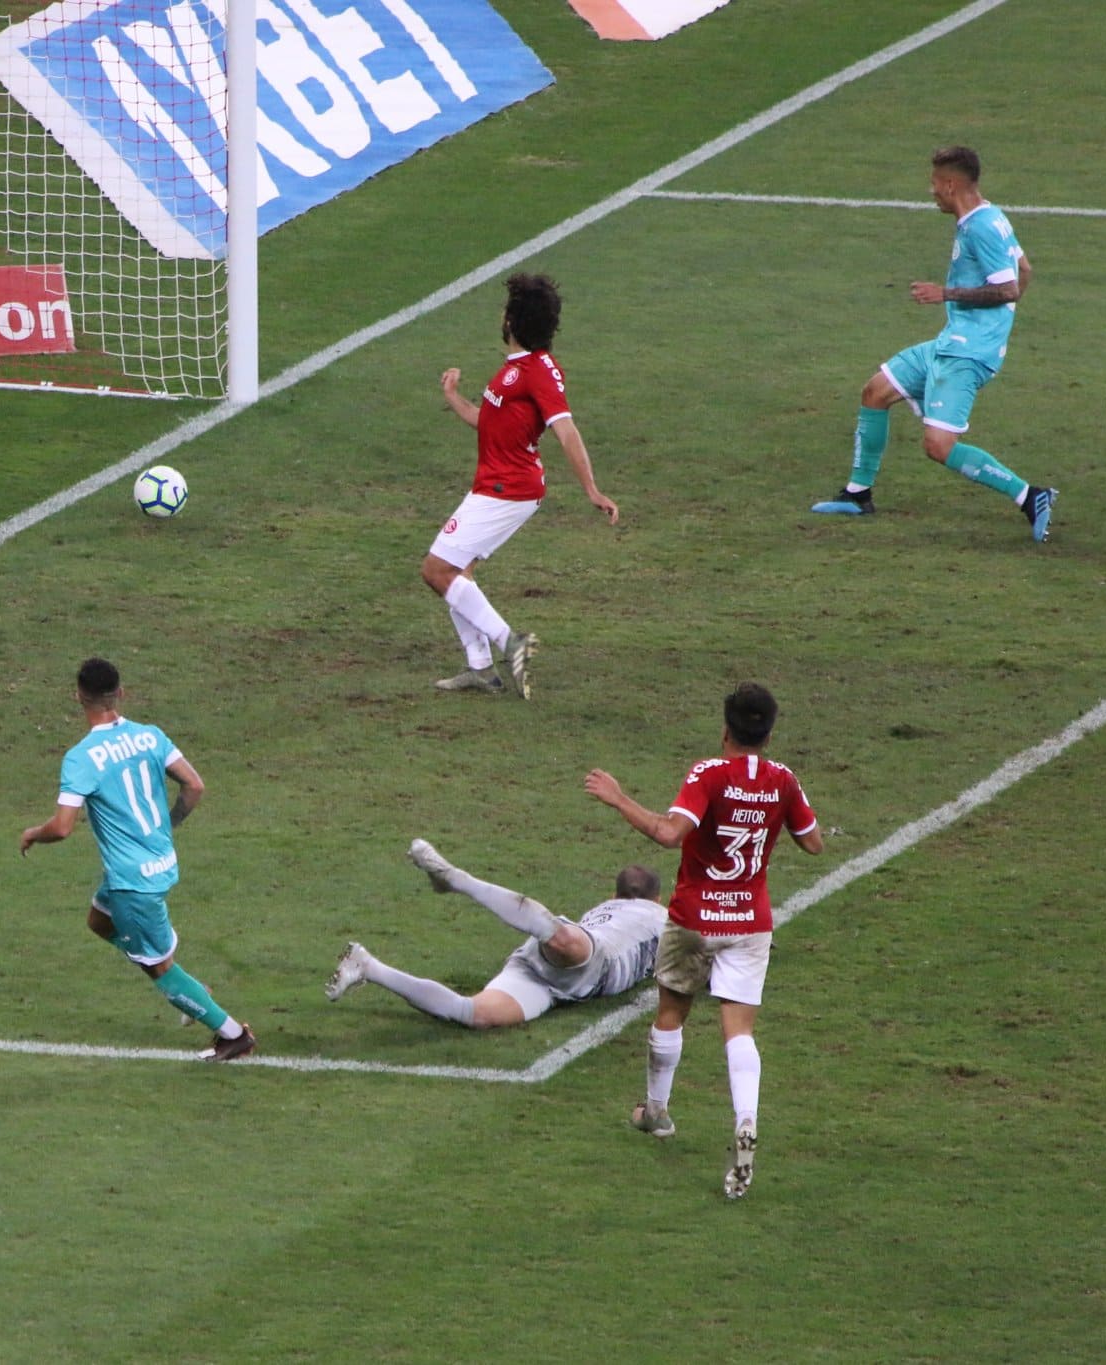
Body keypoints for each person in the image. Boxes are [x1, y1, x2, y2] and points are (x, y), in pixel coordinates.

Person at [584, 682, 824, 1200]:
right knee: (739, 1031)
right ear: (769, 731)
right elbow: (814, 843)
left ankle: (657, 1113)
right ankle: (745, 1120)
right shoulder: (785, 779)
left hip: (695, 917)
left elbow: (669, 834)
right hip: (750, 922)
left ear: (725, 728)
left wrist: (619, 798)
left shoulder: (708, 773)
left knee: (672, 1013)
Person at [810, 145, 1056, 541]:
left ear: (950, 184)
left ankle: (1030, 495)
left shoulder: (980, 227)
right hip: (952, 343)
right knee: (876, 391)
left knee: (939, 445)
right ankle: (858, 495)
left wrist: (947, 294)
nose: (931, 192)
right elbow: (1025, 269)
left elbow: (1009, 288)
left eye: (934, 184)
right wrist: (998, 326)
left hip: (966, 354)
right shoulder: (991, 216)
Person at [19, 657, 256, 1061]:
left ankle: (233, 1035)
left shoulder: (82, 756)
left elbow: (61, 827)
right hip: (158, 863)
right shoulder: (150, 736)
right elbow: (194, 786)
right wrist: (167, 826)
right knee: (98, 921)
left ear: (78, 697)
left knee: (160, 970)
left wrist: (31, 834)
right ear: (121, 693)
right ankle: (191, 988)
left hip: (133, 883)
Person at [426, 272, 619, 700]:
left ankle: (509, 642)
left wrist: (592, 490)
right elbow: (489, 423)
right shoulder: (519, 369)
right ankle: (480, 670)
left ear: (513, 322)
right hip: (497, 485)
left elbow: (566, 430)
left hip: (507, 489)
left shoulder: (537, 373)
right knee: (459, 576)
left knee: (436, 570)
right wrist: (454, 397)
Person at [324, 840, 665, 1029]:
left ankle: (367, 967)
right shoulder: (664, 916)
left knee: (474, 1015)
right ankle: (455, 879)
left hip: (547, 981)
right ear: (658, 899)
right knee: (563, 940)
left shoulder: (604, 908)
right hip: (596, 958)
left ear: (612, 895)